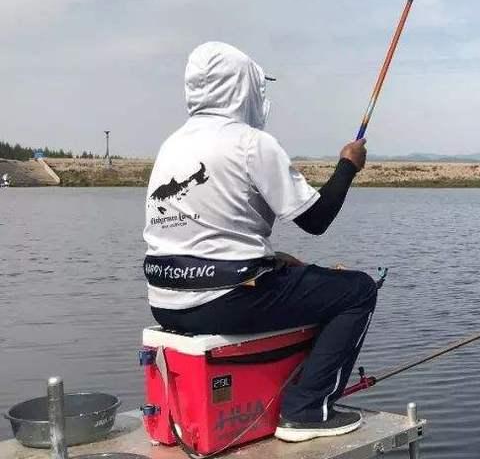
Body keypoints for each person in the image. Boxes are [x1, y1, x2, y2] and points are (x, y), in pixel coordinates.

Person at [143, 41, 376, 442]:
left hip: (166, 302)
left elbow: (211, 234)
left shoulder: (172, 145)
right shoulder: (250, 143)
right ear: (242, 88)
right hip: (224, 302)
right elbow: (316, 219)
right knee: (357, 291)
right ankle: (305, 410)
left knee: (292, 271)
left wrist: (274, 259)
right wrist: (347, 166)